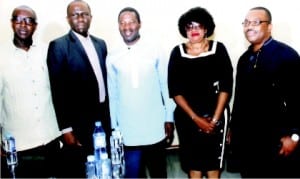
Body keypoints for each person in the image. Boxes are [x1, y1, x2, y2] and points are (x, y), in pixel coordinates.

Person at [229, 6, 300, 178]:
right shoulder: (245, 59)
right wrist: (233, 127)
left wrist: (295, 136)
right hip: (248, 140)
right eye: (246, 23)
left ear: (269, 27)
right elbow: (239, 98)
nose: (249, 27)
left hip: (277, 140)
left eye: (256, 22)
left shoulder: (286, 55)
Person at [106, 7, 175, 178]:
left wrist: (169, 118)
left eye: (131, 22)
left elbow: (166, 85)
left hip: (154, 126)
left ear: (139, 24)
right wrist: (114, 127)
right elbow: (112, 94)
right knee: (133, 174)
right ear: (118, 26)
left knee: (158, 173)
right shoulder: (113, 56)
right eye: (122, 22)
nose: (127, 26)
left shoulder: (155, 50)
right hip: (127, 130)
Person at [46, 0, 111, 177]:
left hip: (103, 119)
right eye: (75, 14)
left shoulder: (101, 44)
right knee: (84, 170)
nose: (80, 18)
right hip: (79, 124)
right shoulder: (58, 46)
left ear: (90, 17)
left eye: (84, 14)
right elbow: (57, 91)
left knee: (105, 169)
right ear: (68, 19)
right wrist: (66, 130)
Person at [168, 7, 233, 179]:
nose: (194, 30)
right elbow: (175, 90)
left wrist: (214, 120)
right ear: (184, 30)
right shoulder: (177, 52)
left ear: (206, 29)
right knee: (193, 165)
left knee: (213, 166)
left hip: (216, 116)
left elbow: (226, 85)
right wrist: (196, 119)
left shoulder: (219, 49)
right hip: (187, 118)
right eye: (189, 26)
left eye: (198, 26)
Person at [0, 5, 62, 178]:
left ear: (35, 25)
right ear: (12, 24)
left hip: (50, 138)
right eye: (18, 20)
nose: (23, 25)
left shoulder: (47, 51)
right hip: (18, 144)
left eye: (28, 21)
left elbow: (60, 91)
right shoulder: (1, 56)